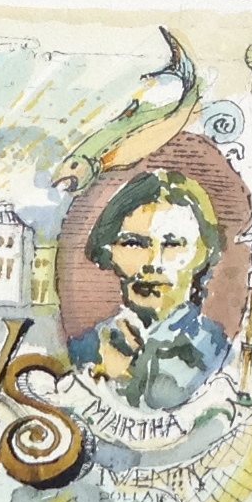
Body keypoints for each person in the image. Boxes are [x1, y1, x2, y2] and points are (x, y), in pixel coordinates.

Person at [67, 168, 231, 413]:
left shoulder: (219, 353)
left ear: (202, 254)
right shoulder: (84, 350)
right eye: (133, 243)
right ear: (109, 252)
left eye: (173, 244)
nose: (153, 262)